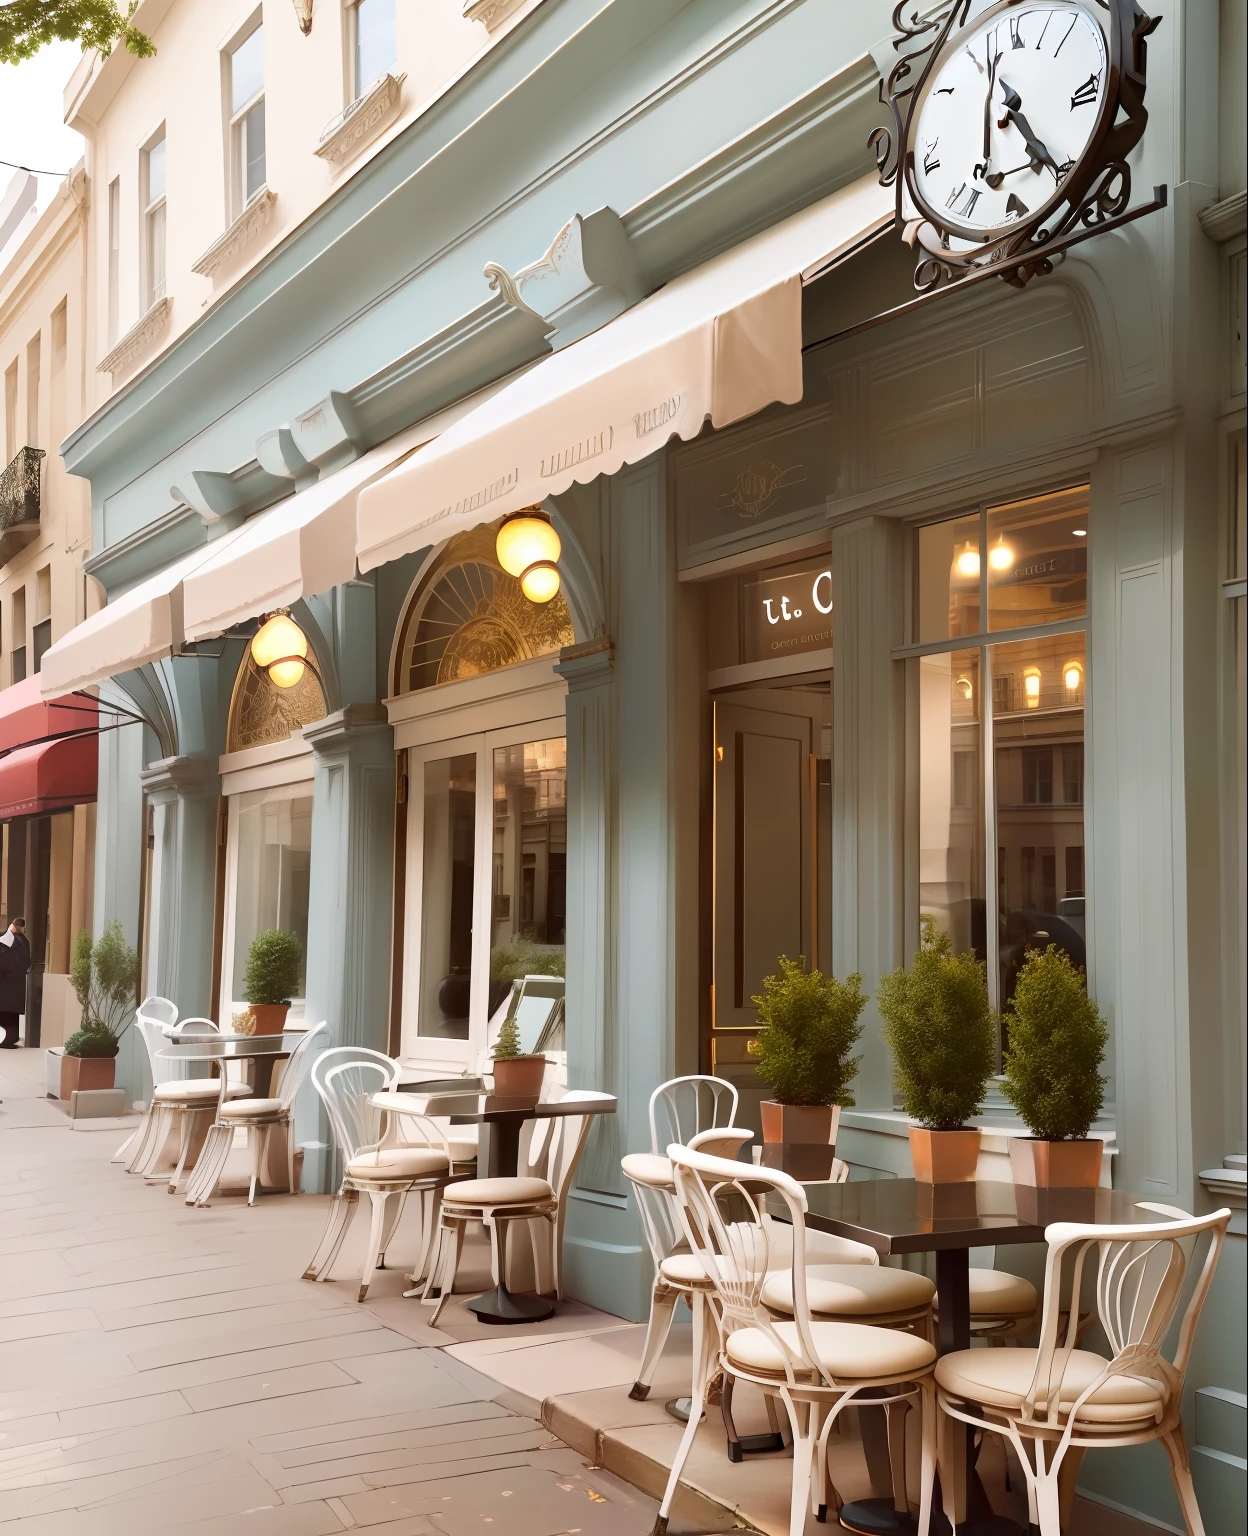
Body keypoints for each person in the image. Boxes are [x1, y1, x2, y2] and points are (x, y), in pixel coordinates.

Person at [0, 918, 30, 1048]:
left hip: (8, 982)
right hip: (12, 983)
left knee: (7, 1012)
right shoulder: (22, 940)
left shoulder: (15, 940)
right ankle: (10, 1038)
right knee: (10, 1013)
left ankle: (10, 1038)